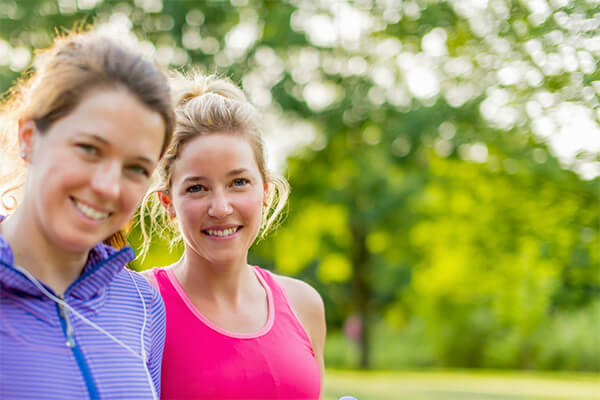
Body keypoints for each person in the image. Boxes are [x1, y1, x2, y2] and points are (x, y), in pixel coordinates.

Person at [0, 31, 175, 399]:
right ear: (28, 137)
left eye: (136, 168)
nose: (109, 186)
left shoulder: (143, 303)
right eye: (89, 149)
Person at [140, 72, 326, 399]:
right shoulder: (139, 305)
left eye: (238, 182)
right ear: (168, 203)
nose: (221, 208)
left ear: (265, 190)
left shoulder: (304, 305)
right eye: (197, 188)